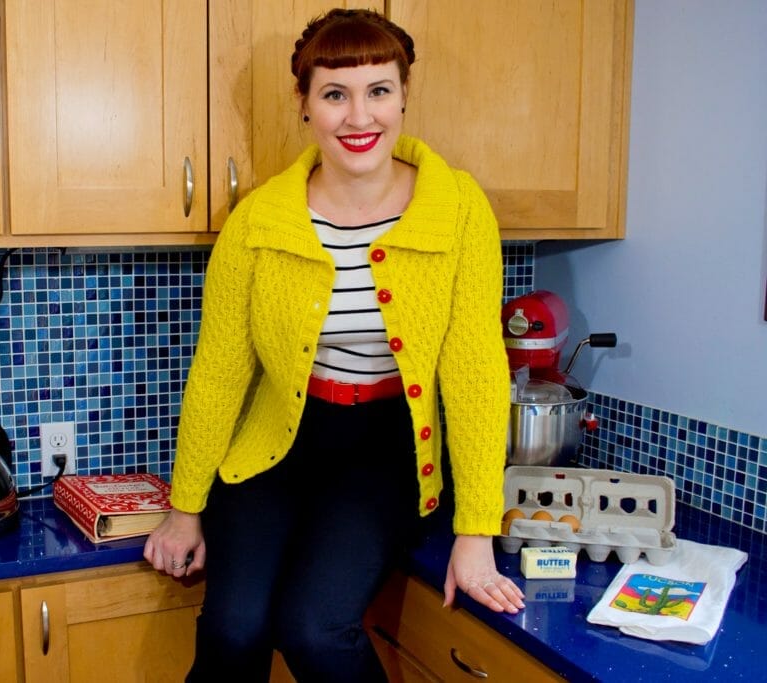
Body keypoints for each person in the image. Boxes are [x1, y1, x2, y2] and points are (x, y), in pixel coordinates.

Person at [144, 8, 524, 682]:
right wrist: (184, 508)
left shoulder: (459, 209)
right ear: (305, 105)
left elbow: (475, 372)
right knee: (233, 628)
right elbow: (220, 372)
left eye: (379, 90)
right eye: (335, 94)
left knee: (314, 629)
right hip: (276, 445)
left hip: (387, 451)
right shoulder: (258, 221)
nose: (359, 116)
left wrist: (477, 532)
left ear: (405, 96)